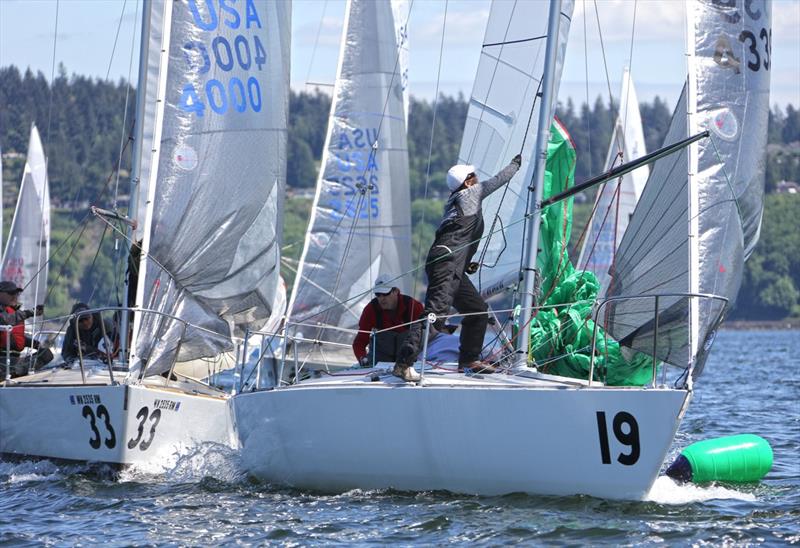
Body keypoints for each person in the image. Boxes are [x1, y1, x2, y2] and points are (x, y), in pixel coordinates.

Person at [394, 155, 521, 381]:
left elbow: (458, 237)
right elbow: (497, 181)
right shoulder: (470, 193)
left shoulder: (454, 202)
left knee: (477, 310)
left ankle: (468, 361)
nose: (478, 179)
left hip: (448, 262)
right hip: (447, 263)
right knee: (436, 315)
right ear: (468, 182)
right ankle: (404, 363)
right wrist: (515, 165)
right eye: (474, 176)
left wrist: (466, 262)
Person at [352, 273, 424, 366]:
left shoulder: (414, 306)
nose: (381, 298)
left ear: (396, 291)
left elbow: (425, 336)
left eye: (385, 293)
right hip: (378, 364)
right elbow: (360, 342)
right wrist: (363, 359)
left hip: (408, 364)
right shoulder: (370, 310)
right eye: (378, 294)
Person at [0, 280, 50, 378]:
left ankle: (16, 371)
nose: (15, 296)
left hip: (11, 358)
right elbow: (6, 319)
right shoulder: (7, 314)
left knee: (47, 354)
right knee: (17, 365)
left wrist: (36, 344)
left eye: (16, 293)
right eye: (11, 293)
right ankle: (13, 371)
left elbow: (15, 337)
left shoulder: (11, 311)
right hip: (2, 359)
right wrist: (30, 312)